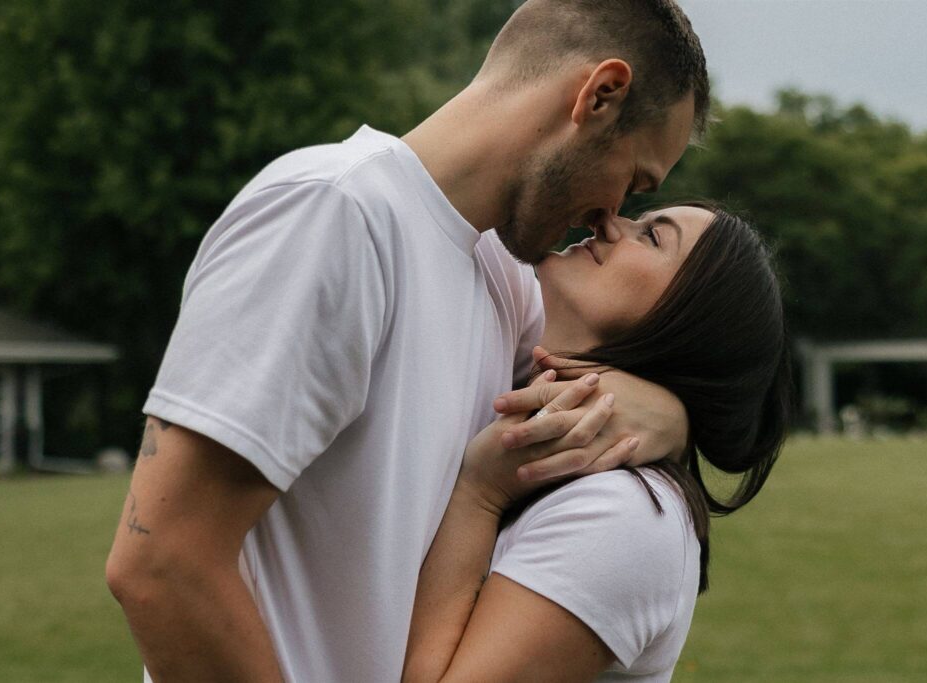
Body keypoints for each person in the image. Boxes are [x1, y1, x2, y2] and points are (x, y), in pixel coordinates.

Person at [105, 1, 711, 681]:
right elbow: (161, 564)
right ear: (599, 96)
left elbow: (611, 383)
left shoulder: (505, 277)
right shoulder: (333, 216)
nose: (612, 217)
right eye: (633, 181)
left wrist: (672, 414)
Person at [403, 204, 792, 682]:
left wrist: (479, 493)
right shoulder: (488, 375)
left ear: (688, 320)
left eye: (652, 236)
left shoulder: (626, 515)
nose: (607, 219)